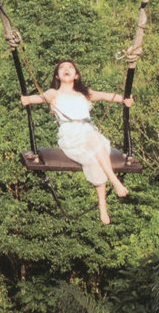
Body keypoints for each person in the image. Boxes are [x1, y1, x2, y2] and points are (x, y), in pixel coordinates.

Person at [21, 60, 135, 224]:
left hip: (89, 132)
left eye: (70, 68)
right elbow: (40, 97)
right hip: (71, 135)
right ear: (57, 76)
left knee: (96, 154)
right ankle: (114, 181)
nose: (66, 69)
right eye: (62, 68)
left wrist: (125, 99)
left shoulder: (84, 93)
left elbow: (106, 96)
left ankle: (102, 205)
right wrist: (28, 99)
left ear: (76, 75)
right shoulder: (54, 93)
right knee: (95, 142)